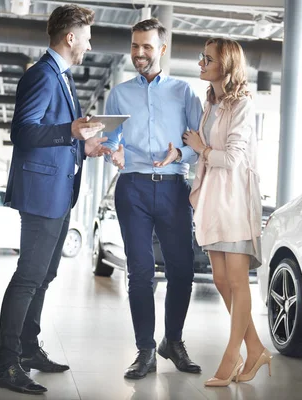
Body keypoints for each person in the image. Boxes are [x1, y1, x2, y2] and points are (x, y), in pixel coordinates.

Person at [0, 4, 110, 395]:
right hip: (43, 194)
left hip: (60, 191)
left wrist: (84, 146)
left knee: (44, 275)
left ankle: (28, 348)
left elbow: (60, 134)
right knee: (28, 277)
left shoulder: (62, 77)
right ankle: (6, 364)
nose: (89, 46)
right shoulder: (42, 74)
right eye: (87, 38)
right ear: (71, 37)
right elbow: (23, 133)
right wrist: (69, 132)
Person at [103, 18, 203, 380]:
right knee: (141, 272)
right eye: (135, 46)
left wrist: (180, 156)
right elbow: (111, 139)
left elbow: (198, 146)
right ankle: (145, 349)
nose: (139, 53)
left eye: (147, 46)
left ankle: (172, 342)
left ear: (162, 50)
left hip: (174, 189)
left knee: (182, 270)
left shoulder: (184, 92)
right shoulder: (118, 94)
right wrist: (112, 151)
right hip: (133, 189)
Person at [183, 38, 273, 387]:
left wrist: (201, 148)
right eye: (201, 57)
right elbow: (209, 154)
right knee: (220, 281)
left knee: (236, 281)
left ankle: (232, 353)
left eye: (208, 59)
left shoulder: (243, 106)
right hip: (212, 202)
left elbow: (232, 159)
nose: (201, 63)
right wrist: (193, 151)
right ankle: (256, 349)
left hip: (235, 202)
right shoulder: (212, 103)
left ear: (227, 66)